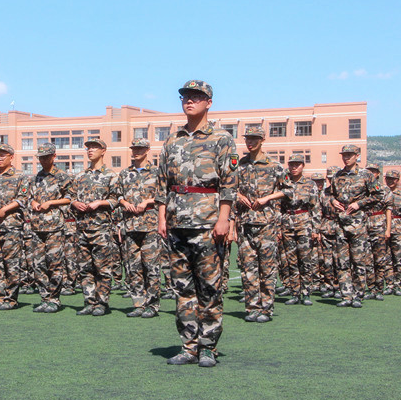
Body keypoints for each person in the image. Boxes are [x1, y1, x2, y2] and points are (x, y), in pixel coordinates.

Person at [157, 80, 236, 368]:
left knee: (209, 289)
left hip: (208, 223)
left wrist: (224, 219)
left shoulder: (221, 139)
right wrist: (162, 217)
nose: (189, 101)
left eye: (196, 96)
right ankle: (188, 347)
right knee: (182, 289)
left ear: (208, 103)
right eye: (185, 97)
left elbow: (229, 184)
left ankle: (208, 348)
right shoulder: (172, 140)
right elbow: (162, 183)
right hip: (177, 223)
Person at [235, 126, 292, 322]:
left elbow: (289, 190)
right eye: (247, 139)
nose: (250, 142)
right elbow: (228, 187)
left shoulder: (274, 166)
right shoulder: (240, 165)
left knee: (267, 268)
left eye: (254, 139)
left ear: (262, 140)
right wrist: (238, 195)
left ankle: (266, 309)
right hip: (245, 224)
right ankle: (252, 308)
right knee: (248, 269)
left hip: (267, 224)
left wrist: (268, 198)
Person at [330, 145, 385, 308]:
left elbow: (378, 195)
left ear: (357, 156)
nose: (346, 158)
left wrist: (359, 204)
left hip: (358, 223)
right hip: (341, 224)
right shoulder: (337, 175)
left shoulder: (366, 175)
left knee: (358, 260)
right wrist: (332, 201)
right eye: (344, 155)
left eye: (350, 155)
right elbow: (330, 194)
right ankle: (346, 295)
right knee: (342, 261)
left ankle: (358, 295)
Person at [70, 137, 118, 317]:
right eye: (88, 147)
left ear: (103, 151)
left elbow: (116, 199)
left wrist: (100, 203)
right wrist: (75, 203)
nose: (90, 150)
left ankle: (102, 303)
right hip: (82, 228)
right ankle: (89, 302)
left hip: (101, 229)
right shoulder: (80, 176)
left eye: (94, 147)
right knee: (85, 268)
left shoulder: (111, 175)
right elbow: (70, 197)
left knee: (102, 268)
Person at [116, 137, 161, 318]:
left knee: (151, 267)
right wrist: (124, 203)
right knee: (133, 267)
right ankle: (138, 304)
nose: (136, 152)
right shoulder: (124, 173)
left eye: (140, 149)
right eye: (134, 149)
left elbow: (164, 195)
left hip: (150, 225)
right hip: (130, 225)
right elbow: (117, 195)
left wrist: (147, 202)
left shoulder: (157, 173)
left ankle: (152, 305)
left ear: (147, 150)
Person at [28, 142, 72, 313]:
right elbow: (29, 196)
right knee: (38, 264)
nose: (43, 160)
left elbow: (70, 198)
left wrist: (51, 202)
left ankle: (54, 299)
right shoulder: (36, 177)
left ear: (54, 156)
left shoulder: (62, 176)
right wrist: (33, 202)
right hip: (37, 226)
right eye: (41, 157)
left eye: (46, 157)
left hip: (54, 227)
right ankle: (44, 298)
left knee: (54, 263)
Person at [0, 143, 29, 310]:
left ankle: (11, 299)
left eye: (3, 155)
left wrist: (5, 209)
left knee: (11, 264)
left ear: (11, 157)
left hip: (11, 226)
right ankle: (0, 297)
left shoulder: (20, 176)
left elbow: (23, 198)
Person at [280, 154, 320, 306]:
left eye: (297, 164)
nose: (294, 167)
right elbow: (278, 206)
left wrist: (316, 229)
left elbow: (315, 207)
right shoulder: (284, 183)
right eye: (291, 164)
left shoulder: (310, 184)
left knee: (305, 260)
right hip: (287, 224)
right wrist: (278, 227)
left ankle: (306, 292)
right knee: (291, 261)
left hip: (304, 224)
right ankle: (295, 293)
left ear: (303, 166)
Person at [363, 162, 393, 301]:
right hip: (364, 225)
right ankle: (371, 288)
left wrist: (388, 229)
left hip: (379, 225)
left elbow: (388, 210)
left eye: (373, 171)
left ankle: (379, 289)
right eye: (368, 171)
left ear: (378, 174)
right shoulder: (362, 189)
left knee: (380, 260)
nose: (371, 173)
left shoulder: (384, 190)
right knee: (367, 260)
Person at [383, 170, 401, 296]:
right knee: (386, 258)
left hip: (398, 229)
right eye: (388, 178)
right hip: (384, 228)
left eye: (393, 179)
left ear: (397, 180)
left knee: (398, 259)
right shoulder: (382, 193)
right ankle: (389, 284)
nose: (390, 181)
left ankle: (397, 285)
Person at [316, 167, 341, 298]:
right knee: (327, 260)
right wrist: (318, 231)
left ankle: (339, 286)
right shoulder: (324, 193)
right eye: (330, 178)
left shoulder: (343, 192)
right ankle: (329, 285)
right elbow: (319, 212)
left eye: (334, 178)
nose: (332, 181)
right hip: (326, 227)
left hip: (340, 227)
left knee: (339, 259)